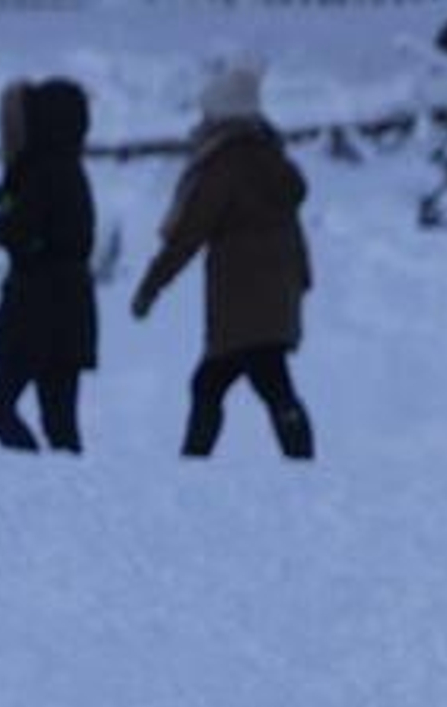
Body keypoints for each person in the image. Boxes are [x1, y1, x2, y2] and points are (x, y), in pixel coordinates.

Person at [129, 61, 316, 461]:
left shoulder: (225, 164)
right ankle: (207, 461)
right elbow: (293, 232)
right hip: (272, 296)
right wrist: (301, 280)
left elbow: (188, 233)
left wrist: (151, 285)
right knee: (239, 381)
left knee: (239, 382)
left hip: (243, 299)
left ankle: (198, 465)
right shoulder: (271, 158)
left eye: (207, 114)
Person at [0, 78, 98, 454]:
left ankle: (31, 474)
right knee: (61, 424)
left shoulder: (43, 171)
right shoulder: (73, 170)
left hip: (34, 306)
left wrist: (3, 217)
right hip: (74, 307)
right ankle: (70, 496)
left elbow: (11, 230)